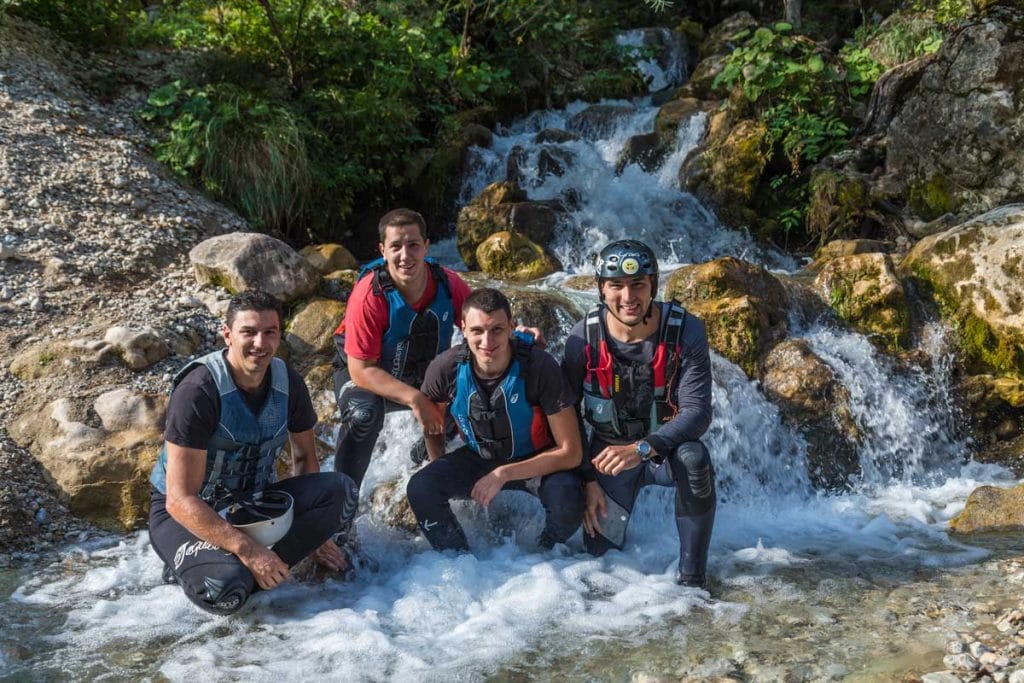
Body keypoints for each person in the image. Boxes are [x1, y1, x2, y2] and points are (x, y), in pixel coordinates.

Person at [149, 289, 358, 615]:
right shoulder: (198, 390)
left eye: (269, 332)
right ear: (228, 335)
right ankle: (207, 564)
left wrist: (314, 537)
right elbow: (179, 499)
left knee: (340, 491)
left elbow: (304, 458)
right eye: (248, 332)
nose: (260, 343)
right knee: (226, 592)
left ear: (279, 336)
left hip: (252, 504)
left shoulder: (288, 381)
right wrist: (248, 551)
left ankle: (261, 567)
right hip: (186, 514)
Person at [561, 240, 716, 589]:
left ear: (653, 287)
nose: (627, 297)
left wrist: (641, 450)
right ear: (601, 289)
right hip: (607, 460)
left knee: (695, 458)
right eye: (616, 286)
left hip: (662, 453)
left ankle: (693, 580)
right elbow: (566, 416)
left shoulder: (687, 331)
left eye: (638, 285)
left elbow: (698, 412)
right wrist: (586, 480)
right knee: (600, 570)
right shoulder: (581, 339)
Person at [406, 288, 583, 551]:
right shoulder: (446, 368)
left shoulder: (539, 367)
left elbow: (571, 453)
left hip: (537, 460)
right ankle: (459, 562)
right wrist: (438, 463)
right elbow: (432, 424)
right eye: (477, 331)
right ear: (463, 328)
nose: (487, 341)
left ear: (511, 327)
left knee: (568, 501)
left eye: (496, 330)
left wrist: (503, 474)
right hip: (480, 457)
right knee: (422, 487)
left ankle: (544, 558)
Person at [331, 208, 472, 492]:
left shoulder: (448, 283)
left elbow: (484, 325)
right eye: (396, 246)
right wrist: (417, 399)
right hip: (366, 374)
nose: (405, 255)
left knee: (476, 388)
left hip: (421, 372)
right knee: (363, 414)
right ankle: (342, 502)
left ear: (427, 247)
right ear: (383, 250)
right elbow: (361, 369)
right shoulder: (369, 296)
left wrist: (517, 334)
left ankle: (422, 465)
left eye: (413, 245)